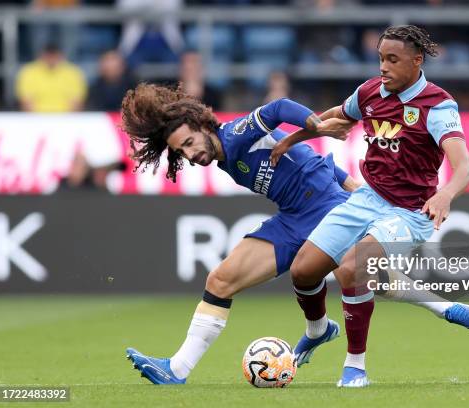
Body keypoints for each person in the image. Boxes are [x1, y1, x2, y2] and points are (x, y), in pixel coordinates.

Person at [270, 25, 469, 388]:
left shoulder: (437, 105)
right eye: (381, 58)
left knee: (356, 266)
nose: (383, 67)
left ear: (416, 62)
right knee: (303, 271)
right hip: (367, 198)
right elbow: (335, 116)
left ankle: (356, 367)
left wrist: (445, 194)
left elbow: (464, 166)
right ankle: (319, 330)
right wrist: (292, 139)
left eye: (392, 59)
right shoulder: (371, 92)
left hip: (410, 211)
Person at [121, 83, 359, 384]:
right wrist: (352, 183)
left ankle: (438, 306)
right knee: (220, 281)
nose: (190, 154)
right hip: (293, 218)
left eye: (190, 142)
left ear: (202, 126)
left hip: (325, 208)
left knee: (377, 279)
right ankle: (176, 370)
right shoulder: (223, 157)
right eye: (182, 151)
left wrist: (319, 126)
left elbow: (279, 108)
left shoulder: (233, 135)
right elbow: (304, 158)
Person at [16, 43, 87, 113]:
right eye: (48, 56)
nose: (51, 60)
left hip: (66, 119)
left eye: (54, 56)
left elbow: (77, 103)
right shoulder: (28, 72)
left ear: (61, 56)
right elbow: (25, 102)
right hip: (36, 119)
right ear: (41, 56)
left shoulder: (73, 72)